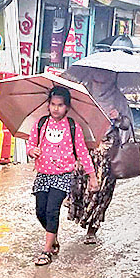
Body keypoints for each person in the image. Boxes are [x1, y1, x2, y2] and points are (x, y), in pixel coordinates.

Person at [27, 86, 98, 266]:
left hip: (62, 176)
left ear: (67, 107)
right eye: (53, 104)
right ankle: (54, 237)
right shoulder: (41, 124)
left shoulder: (73, 127)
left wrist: (92, 176)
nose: (56, 108)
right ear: (48, 105)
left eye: (60, 105)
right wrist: (31, 151)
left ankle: (46, 251)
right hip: (42, 175)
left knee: (52, 210)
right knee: (40, 211)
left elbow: (82, 153)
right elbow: (31, 143)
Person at [69, 69, 132, 245]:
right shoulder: (81, 93)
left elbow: (127, 124)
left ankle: (92, 229)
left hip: (107, 151)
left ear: (113, 78)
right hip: (84, 147)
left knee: (102, 190)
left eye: (105, 76)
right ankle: (80, 215)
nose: (100, 79)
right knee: (80, 187)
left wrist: (118, 117)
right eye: (97, 75)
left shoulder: (118, 99)